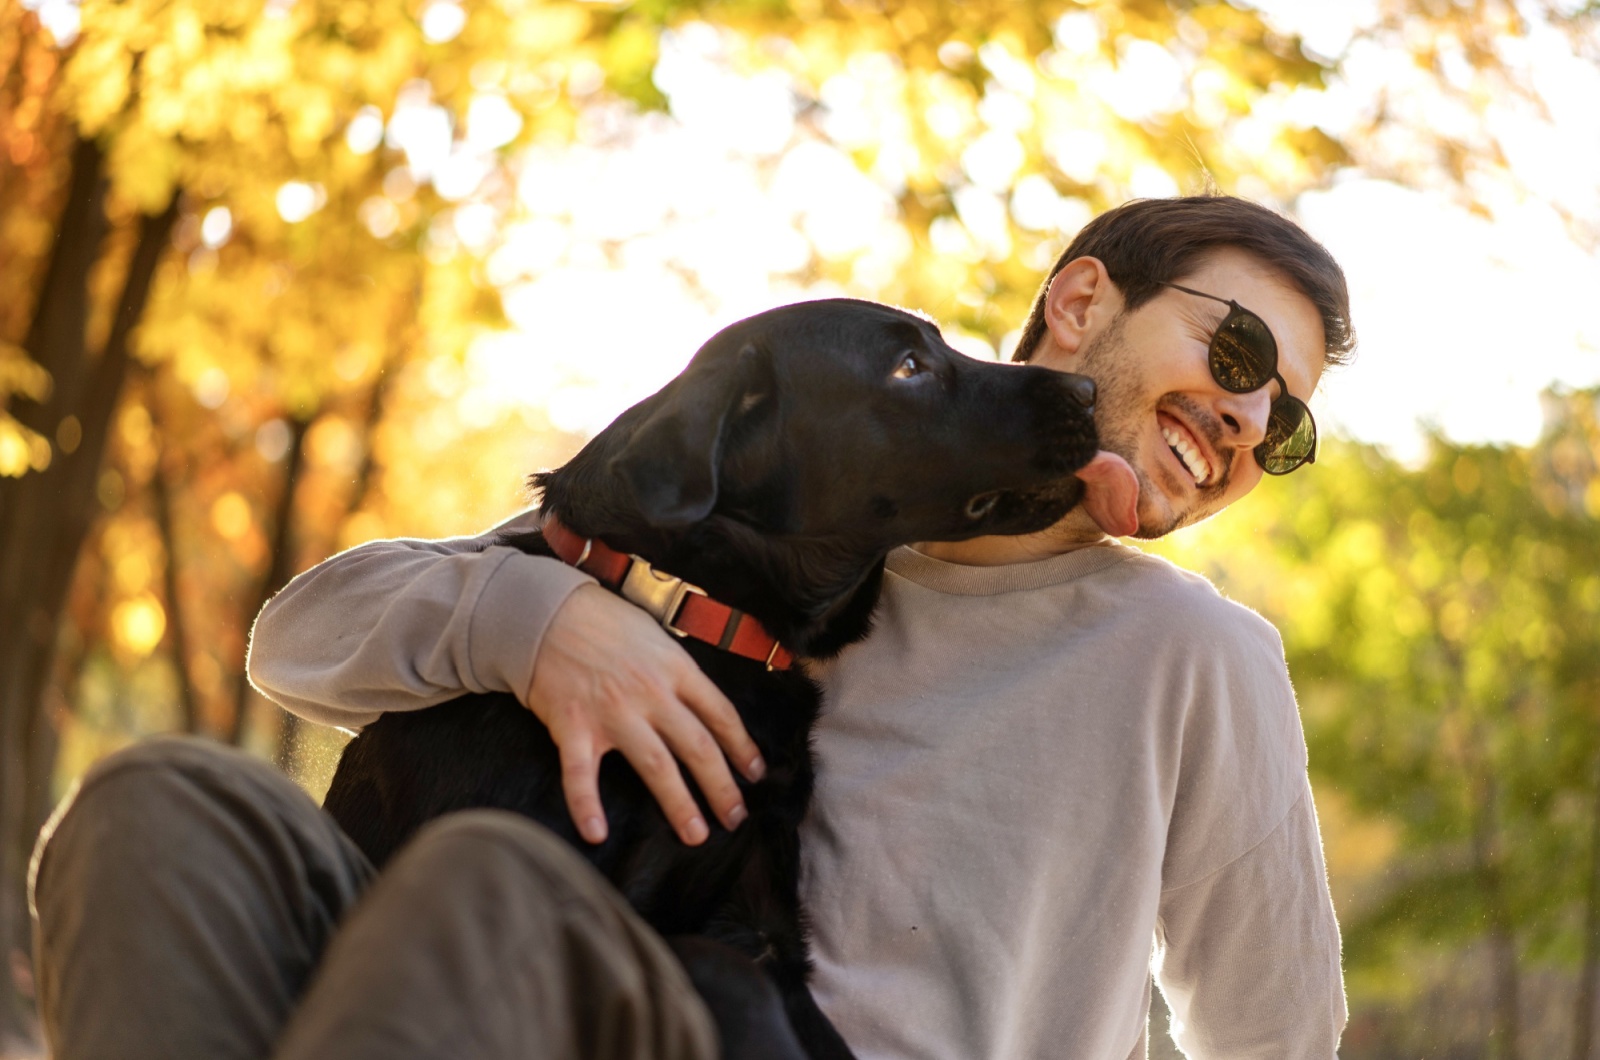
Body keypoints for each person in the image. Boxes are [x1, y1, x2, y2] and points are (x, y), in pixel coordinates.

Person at [30, 194, 1352, 1059]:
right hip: (541, 1002)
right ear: (1080, 304)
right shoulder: (801, 535)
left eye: (1280, 421)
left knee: (489, 889)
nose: (1246, 421)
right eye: (1237, 356)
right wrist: (536, 618)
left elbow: (1280, 1038)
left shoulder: (1193, 658)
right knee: (164, 805)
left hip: (691, 1014)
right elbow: (302, 641)